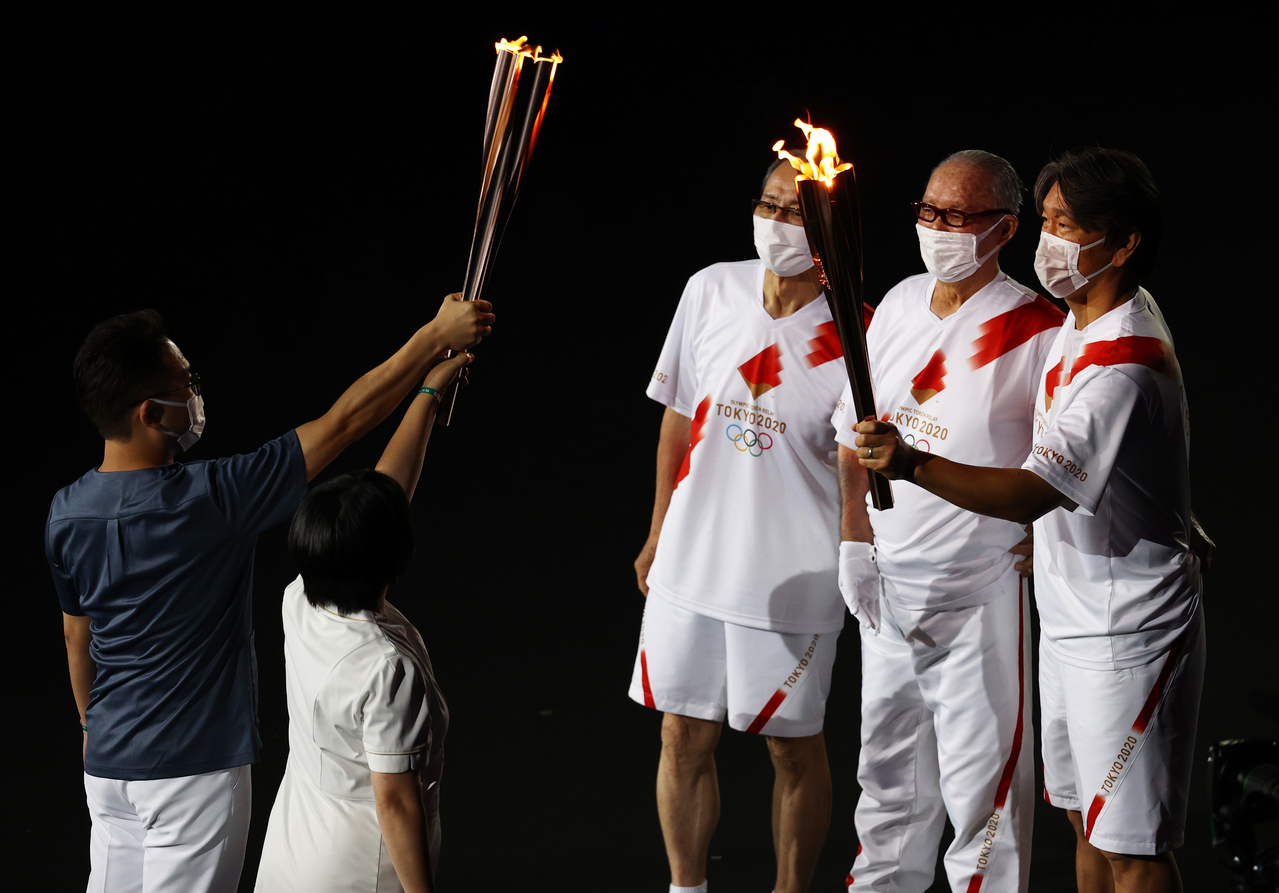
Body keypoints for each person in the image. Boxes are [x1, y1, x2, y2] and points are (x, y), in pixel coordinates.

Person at [48, 295, 493, 893]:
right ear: (151, 413)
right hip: (192, 773)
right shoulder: (213, 499)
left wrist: (91, 730)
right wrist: (432, 337)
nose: (195, 393)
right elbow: (343, 423)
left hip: (106, 771)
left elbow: (79, 638)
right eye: (186, 385)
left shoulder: (65, 513)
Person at [854, 148, 1205, 893]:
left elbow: (1028, 491)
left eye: (1065, 225)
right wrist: (1179, 510)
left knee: (1131, 846)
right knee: (1081, 820)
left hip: (1128, 628)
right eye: (1046, 221)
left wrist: (910, 463)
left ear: (1123, 241)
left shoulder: (1121, 357)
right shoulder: (1083, 322)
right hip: (1065, 612)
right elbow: (1140, 451)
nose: (1048, 242)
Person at [831, 149, 1064, 892]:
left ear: (1003, 228)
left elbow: (1068, 459)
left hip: (978, 589)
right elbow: (851, 432)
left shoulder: (1037, 328)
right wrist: (852, 538)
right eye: (927, 212)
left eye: (956, 216)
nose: (937, 229)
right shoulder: (896, 302)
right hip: (888, 586)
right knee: (887, 779)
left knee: (982, 794)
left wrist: (1043, 533)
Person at [630, 156, 860, 893]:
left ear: (828, 228)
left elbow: (860, 465)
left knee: (791, 749)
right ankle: (686, 886)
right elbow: (676, 415)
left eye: (795, 213)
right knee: (680, 733)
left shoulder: (857, 329)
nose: (775, 222)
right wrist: (657, 528)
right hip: (692, 561)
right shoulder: (710, 289)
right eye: (768, 204)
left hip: (793, 574)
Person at [254, 349, 469, 893]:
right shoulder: (386, 669)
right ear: (395, 554)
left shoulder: (300, 598)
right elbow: (396, 803)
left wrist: (429, 392)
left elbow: (385, 497)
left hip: (295, 844)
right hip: (359, 865)